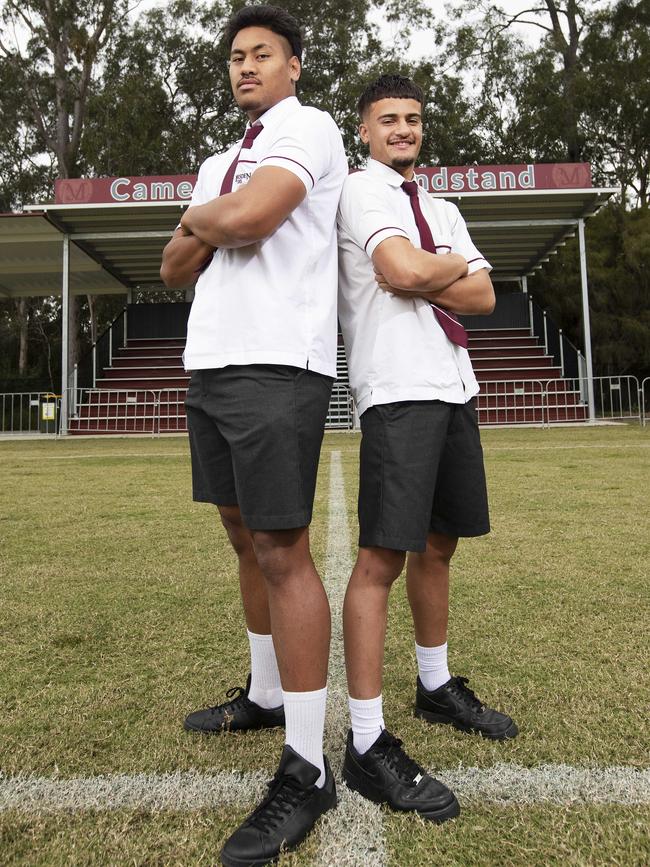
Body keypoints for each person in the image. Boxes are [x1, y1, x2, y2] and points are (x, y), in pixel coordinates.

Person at [160, 6, 347, 865]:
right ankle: (267, 695)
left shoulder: (308, 128)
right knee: (240, 535)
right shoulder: (215, 160)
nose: (243, 67)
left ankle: (307, 765)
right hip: (214, 362)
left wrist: (212, 218)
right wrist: (216, 213)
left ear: (295, 66)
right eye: (234, 57)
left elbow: (245, 223)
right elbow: (172, 268)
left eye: (260, 55)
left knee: (281, 547)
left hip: (279, 362)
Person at [336, 74, 518, 824]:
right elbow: (400, 271)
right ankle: (367, 739)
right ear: (366, 129)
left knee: (441, 545)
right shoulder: (360, 191)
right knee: (383, 556)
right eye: (389, 119)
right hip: (397, 388)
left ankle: (436, 685)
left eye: (413, 118)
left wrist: (427, 267)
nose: (404, 130)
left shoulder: (441, 206)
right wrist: (444, 264)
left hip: (453, 383)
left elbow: (485, 297)